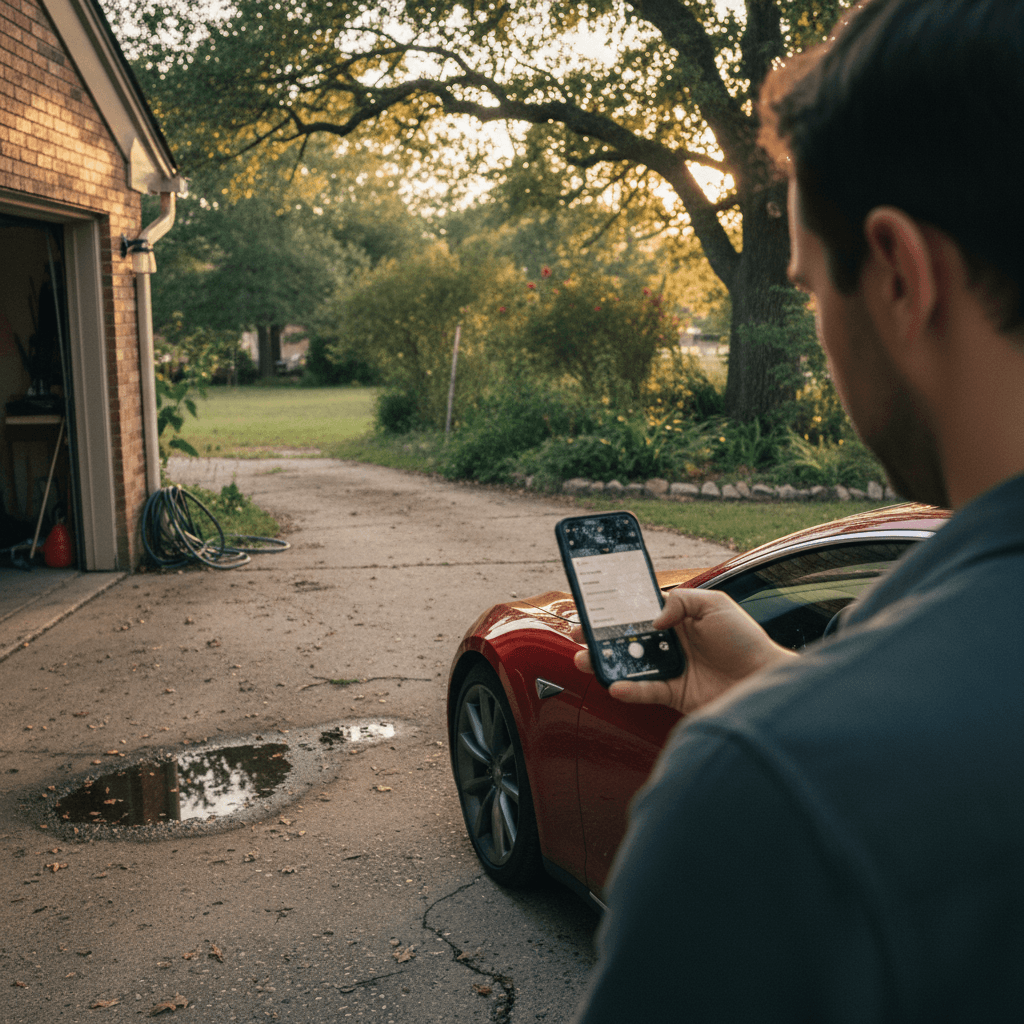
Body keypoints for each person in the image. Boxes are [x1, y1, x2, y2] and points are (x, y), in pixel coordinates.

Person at [573, 0, 1024, 1020]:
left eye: (815, 289)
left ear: (901, 277)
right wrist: (785, 687)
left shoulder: (759, 803)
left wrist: (791, 740)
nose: (821, 335)